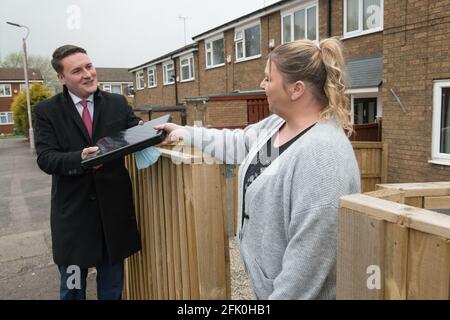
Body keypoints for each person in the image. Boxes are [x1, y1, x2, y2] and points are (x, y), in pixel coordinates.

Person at [155, 38, 361, 299]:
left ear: (296, 89)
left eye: (268, 78)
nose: (262, 85)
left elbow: (307, 264)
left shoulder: (323, 156)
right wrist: (183, 133)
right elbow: (238, 143)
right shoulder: (280, 127)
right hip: (267, 286)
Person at [34, 45, 142, 300]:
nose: (88, 74)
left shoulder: (117, 103)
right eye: (77, 70)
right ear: (61, 78)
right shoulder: (47, 112)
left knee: (112, 290)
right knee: (72, 290)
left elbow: (135, 131)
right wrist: (80, 159)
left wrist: (150, 131)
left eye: (89, 66)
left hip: (112, 221)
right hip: (73, 222)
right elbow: (46, 158)